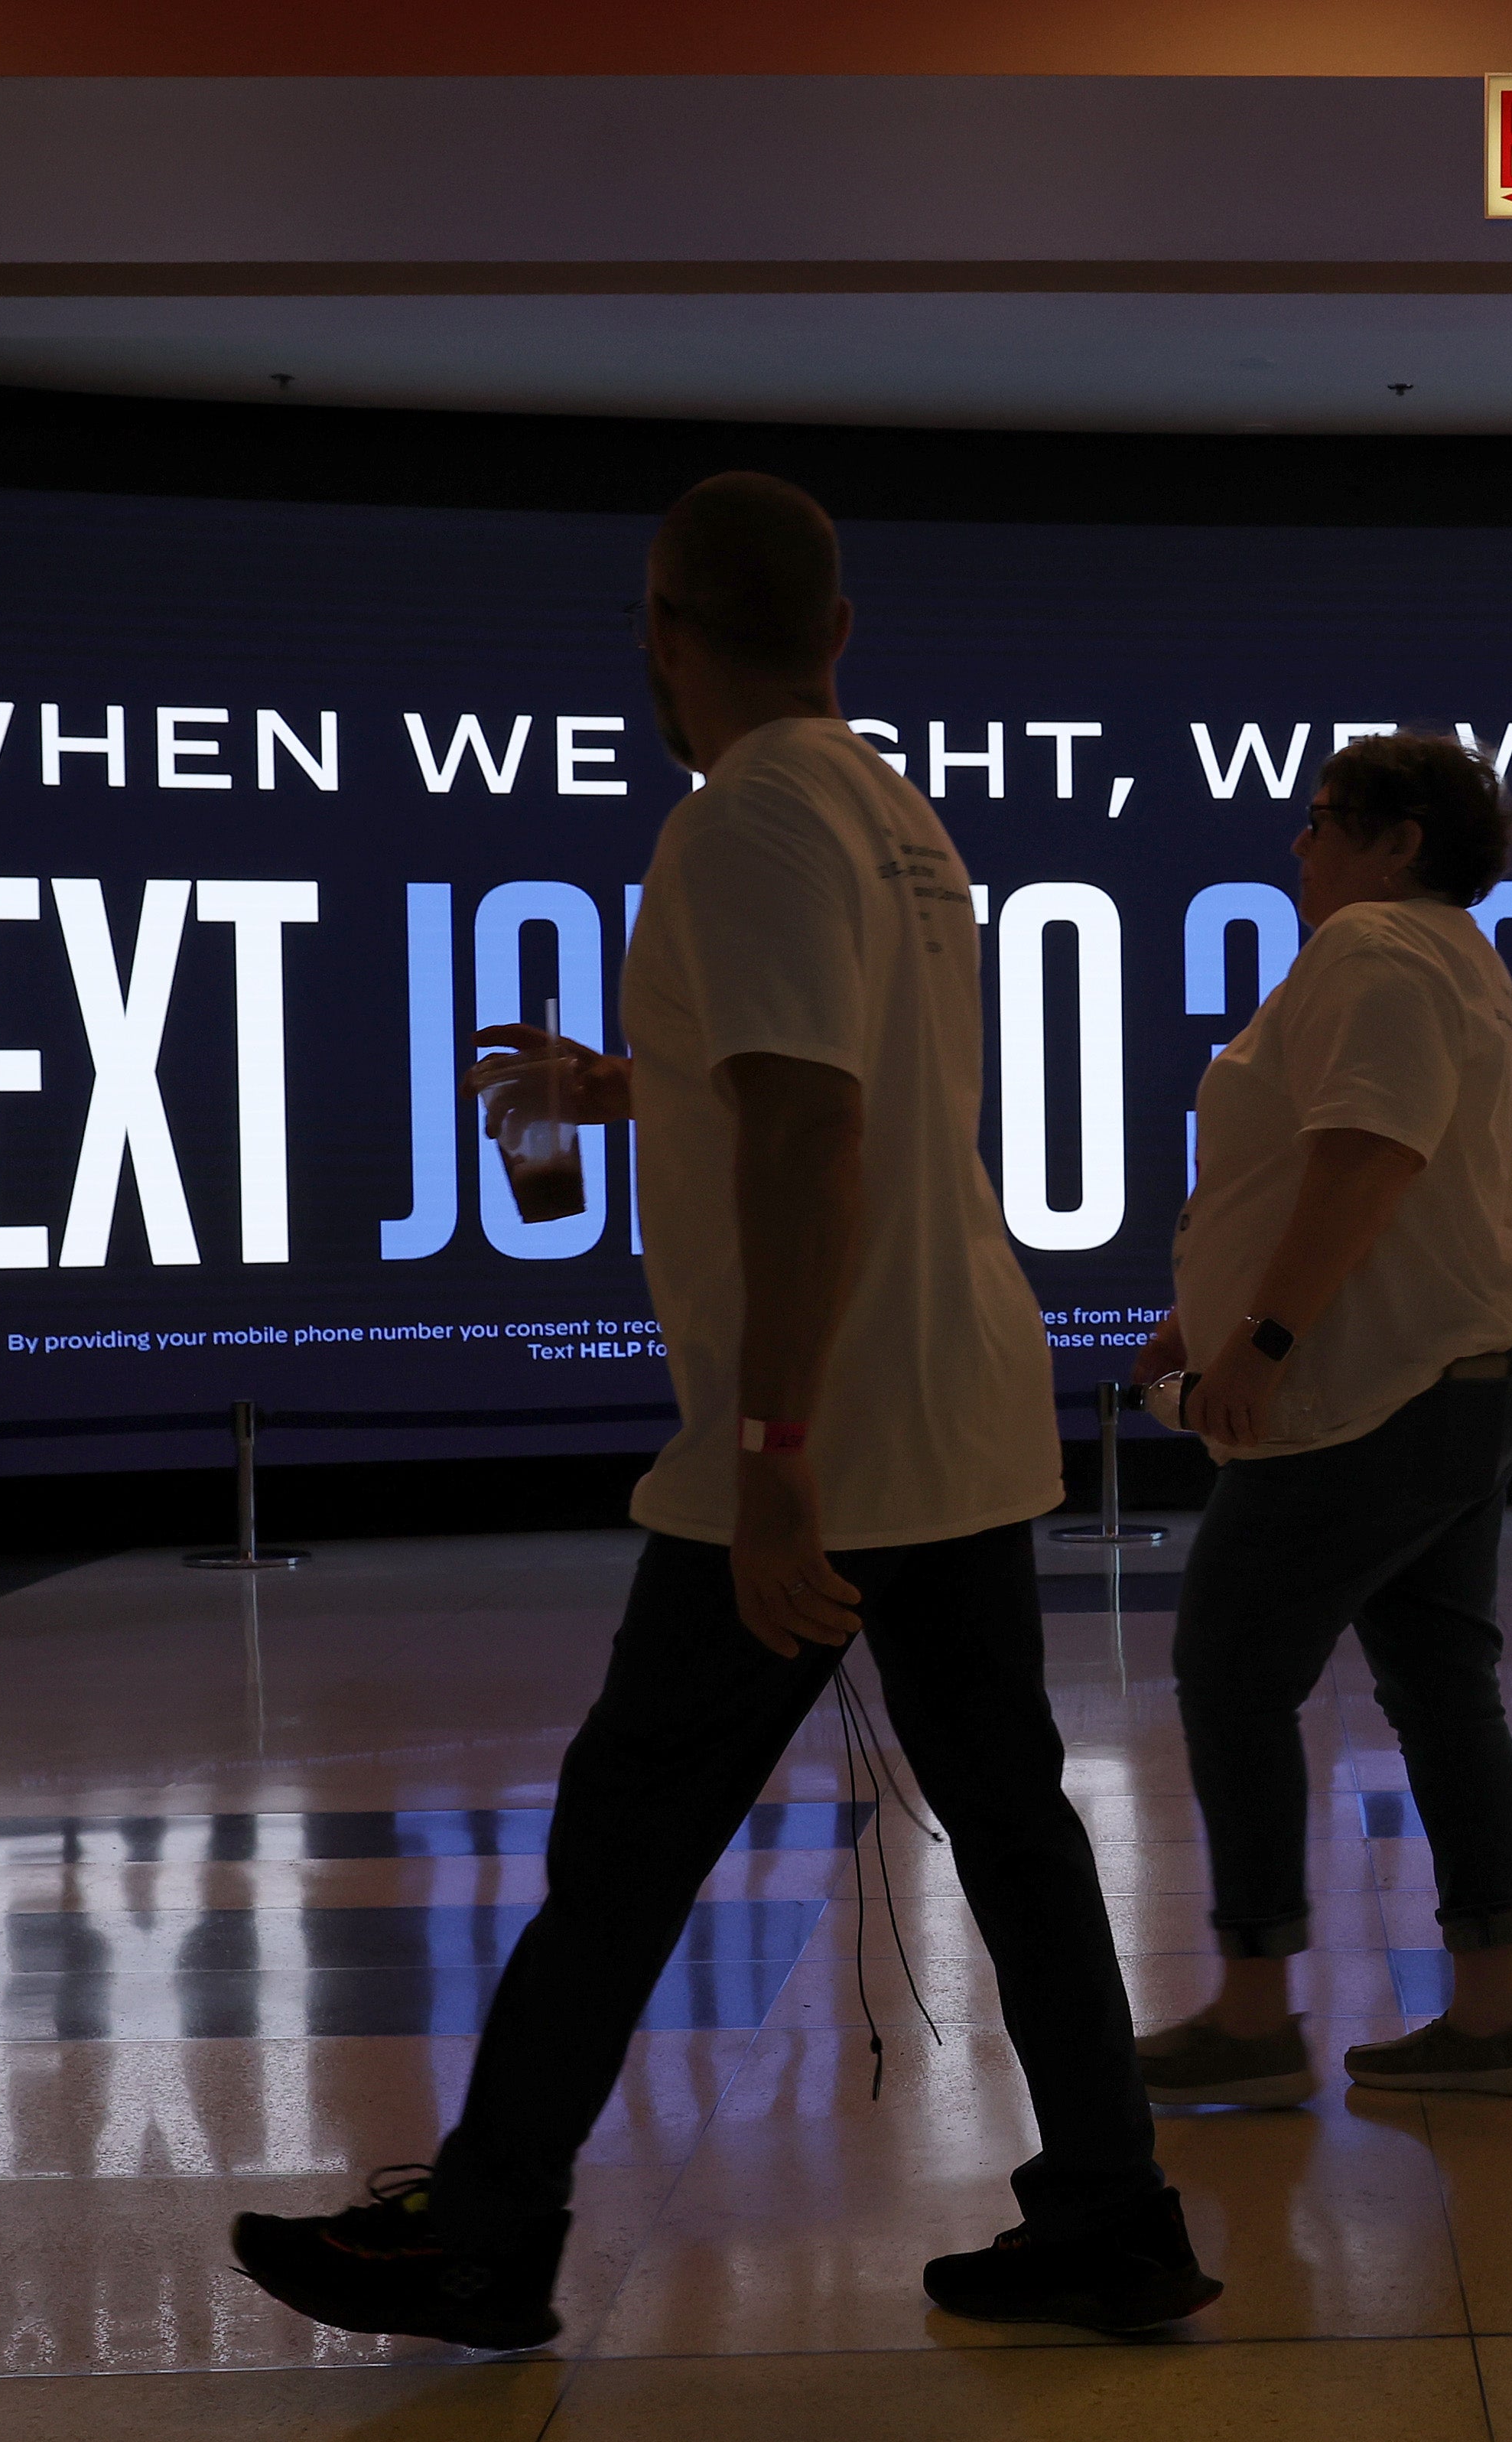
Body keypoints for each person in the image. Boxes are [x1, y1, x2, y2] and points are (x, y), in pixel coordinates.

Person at [230, 473, 1214, 2346]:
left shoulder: (739, 817)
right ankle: (1113, 2207)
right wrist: (640, 1081)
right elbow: (820, 1083)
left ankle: (487, 2225)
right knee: (1012, 1823)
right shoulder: (888, 811)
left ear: (664, 637)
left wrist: (770, 1463)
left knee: (627, 1836)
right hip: (956, 1397)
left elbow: (815, 1128)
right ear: (841, 632)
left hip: (824, 1431)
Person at [1125, 734, 1512, 2110]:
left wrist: (1257, 1337)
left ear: (1395, 841)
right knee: (1441, 1680)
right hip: (1466, 1364)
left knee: (1230, 1663)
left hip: (1379, 1386)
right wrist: (1203, 1312)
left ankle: (1256, 2008)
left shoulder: (1375, 947)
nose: (1297, 845)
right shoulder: (1445, 950)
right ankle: (1492, 2009)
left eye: (1320, 820)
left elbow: (1369, 1157)